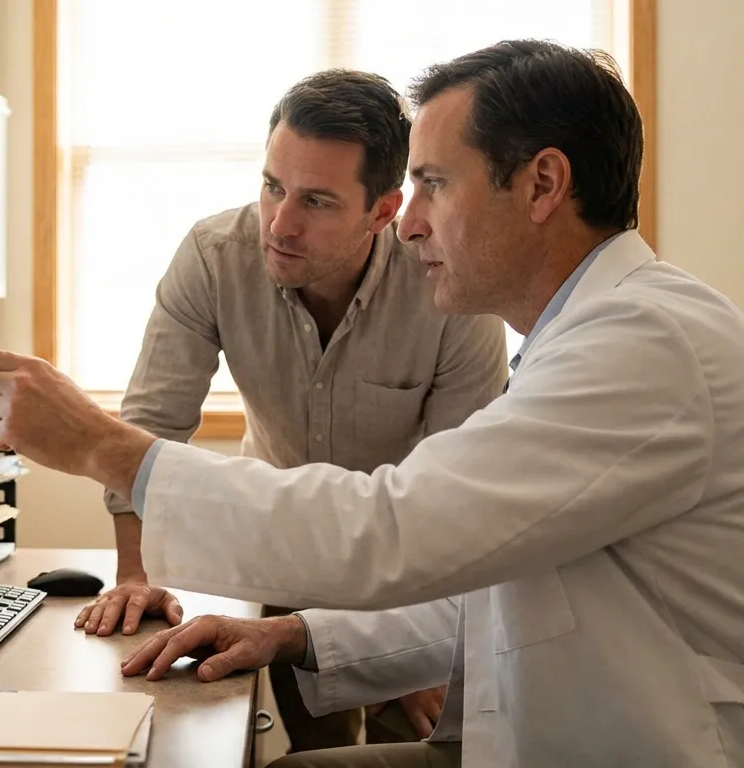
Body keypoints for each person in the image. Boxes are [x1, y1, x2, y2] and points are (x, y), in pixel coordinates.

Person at [0, 38, 744, 768]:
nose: (410, 220)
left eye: (435, 184)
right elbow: (497, 574)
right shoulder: (593, 337)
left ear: (543, 184)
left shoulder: (644, 346)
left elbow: (400, 528)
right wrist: (296, 636)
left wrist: (107, 446)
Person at [75, 68, 508, 753]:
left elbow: (457, 493)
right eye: (273, 186)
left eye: (316, 201)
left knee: (424, 741)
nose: (280, 223)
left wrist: (413, 647)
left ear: (383, 210)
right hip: (284, 543)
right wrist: (135, 573)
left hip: (416, 562)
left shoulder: (448, 288)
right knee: (315, 751)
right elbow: (150, 425)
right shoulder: (214, 257)